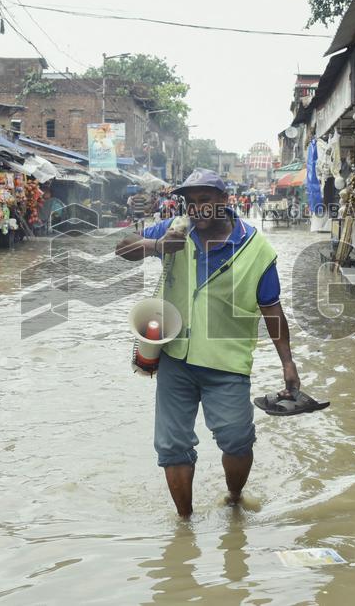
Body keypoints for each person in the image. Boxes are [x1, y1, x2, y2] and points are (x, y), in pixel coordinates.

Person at [115, 169, 303, 518]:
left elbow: (271, 309)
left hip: (227, 361)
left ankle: (233, 497)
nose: (196, 209)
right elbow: (121, 248)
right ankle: (184, 524)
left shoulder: (255, 247)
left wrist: (287, 363)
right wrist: (156, 246)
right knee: (172, 446)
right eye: (190, 202)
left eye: (205, 201)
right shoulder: (174, 231)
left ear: (223, 201)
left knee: (236, 439)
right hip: (176, 357)